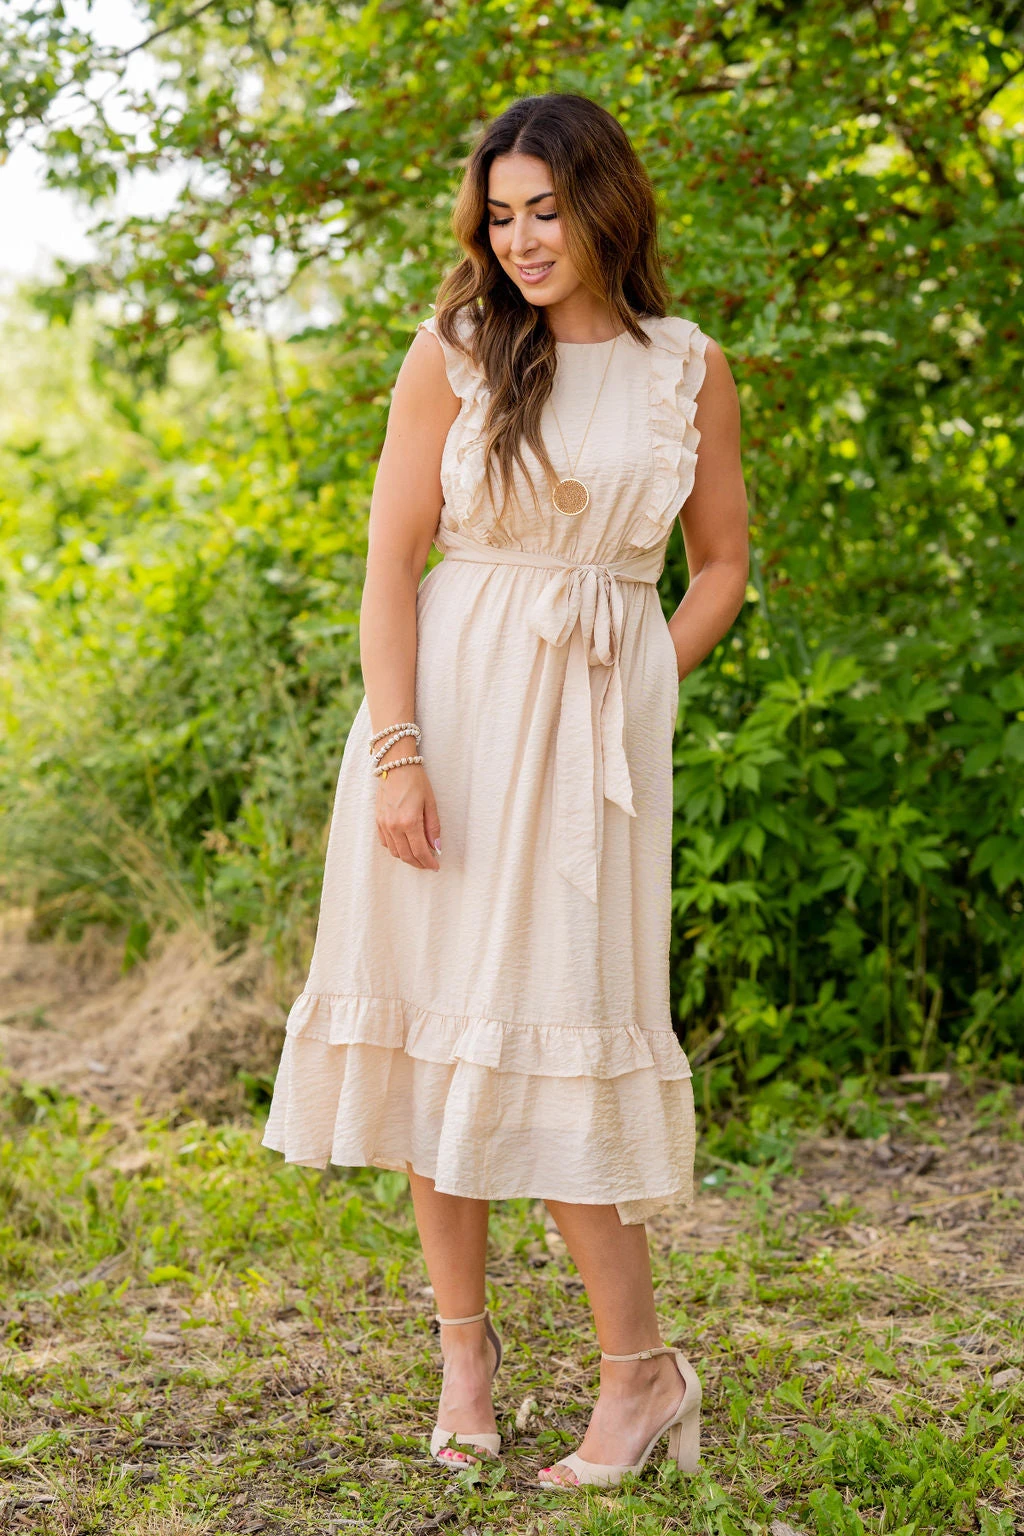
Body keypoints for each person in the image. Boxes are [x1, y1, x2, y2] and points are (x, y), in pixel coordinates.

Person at [261, 91, 749, 1489]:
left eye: (547, 209)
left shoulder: (686, 366)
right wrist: (397, 749)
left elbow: (721, 561)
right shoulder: (457, 350)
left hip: (591, 749)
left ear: (606, 206)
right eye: (502, 214)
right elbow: (390, 565)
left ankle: (640, 1376)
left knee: (559, 1027)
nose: (523, 238)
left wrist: (640, 681)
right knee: (439, 1037)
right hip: (449, 724)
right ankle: (464, 1358)